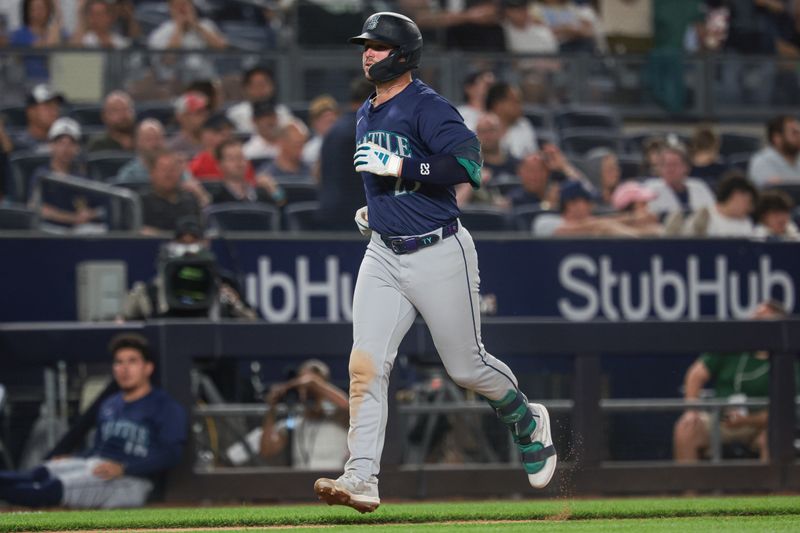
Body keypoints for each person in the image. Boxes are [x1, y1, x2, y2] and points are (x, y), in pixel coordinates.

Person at [312, 12, 556, 514]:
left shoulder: (426, 105)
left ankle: (525, 418)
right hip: (383, 252)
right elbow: (383, 180)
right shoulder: (366, 111)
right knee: (365, 365)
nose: (368, 52)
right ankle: (361, 476)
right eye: (366, 45)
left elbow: (469, 165)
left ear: (402, 54)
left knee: (466, 367)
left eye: (378, 46)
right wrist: (377, 210)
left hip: (438, 249)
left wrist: (403, 166)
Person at [0, 333, 187, 508]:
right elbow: (99, 448)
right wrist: (76, 458)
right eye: (119, 362)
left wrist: (125, 468)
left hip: (133, 479)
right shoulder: (110, 404)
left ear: (148, 367)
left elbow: (172, 454)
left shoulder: (165, 406)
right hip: (97, 465)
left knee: (46, 489)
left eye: (132, 361)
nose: (124, 368)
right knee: (39, 473)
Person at [673, 300, 797, 463]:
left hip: (760, 425)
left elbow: (785, 411)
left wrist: (746, 420)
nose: (754, 324)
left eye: (761, 321)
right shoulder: (732, 346)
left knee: (775, 437)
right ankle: (690, 489)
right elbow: (695, 374)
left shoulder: (789, 364)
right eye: (753, 318)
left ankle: (770, 488)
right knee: (686, 429)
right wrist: (691, 410)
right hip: (721, 419)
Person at [123, 216, 257, 320]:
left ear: (205, 243)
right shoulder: (155, 287)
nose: (188, 248)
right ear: (173, 244)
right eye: (182, 242)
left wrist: (234, 303)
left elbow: (251, 321)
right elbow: (125, 319)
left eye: (193, 241)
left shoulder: (224, 282)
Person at [259, 359, 349, 469]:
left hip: (334, 482)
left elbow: (347, 405)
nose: (311, 390)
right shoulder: (292, 425)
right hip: (302, 482)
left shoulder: (339, 418)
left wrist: (314, 384)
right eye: (306, 387)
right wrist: (271, 409)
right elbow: (267, 450)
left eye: (317, 385)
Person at [29, 117, 107, 233]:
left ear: (77, 148)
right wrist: (73, 218)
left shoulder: (83, 176)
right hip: (50, 230)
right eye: (60, 143)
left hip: (79, 231)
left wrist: (89, 214)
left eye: (71, 143)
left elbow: (100, 207)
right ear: (51, 145)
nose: (65, 148)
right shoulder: (42, 175)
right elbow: (36, 208)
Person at [643, 143, 716, 219]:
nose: (670, 169)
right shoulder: (650, 188)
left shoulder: (699, 186)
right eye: (665, 165)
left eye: (674, 164)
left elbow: (714, 214)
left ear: (686, 167)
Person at [140, 149, 201, 235]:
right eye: (163, 169)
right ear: (152, 173)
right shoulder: (140, 202)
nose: (168, 174)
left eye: (172, 169)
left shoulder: (190, 201)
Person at [685, 172, 757, 237]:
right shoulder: (704, 218)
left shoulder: (746, 222)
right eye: (748, 202)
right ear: (736, 196)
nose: (750, 209)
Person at [226, 65, 293, 135]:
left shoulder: (282, 111)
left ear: (272, 87)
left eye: (264, 85)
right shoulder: (235, 114)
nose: (260, 89)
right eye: (256, 85)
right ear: (246, 88)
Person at [485, 81, 538, 160]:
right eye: (516, 102)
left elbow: (533, 158)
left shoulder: (524, 125)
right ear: (498, 104)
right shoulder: (481, 125)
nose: (520, 106)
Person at [748, 115, 800, 187]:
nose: (799, 136)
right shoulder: (761, 162)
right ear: (777, 138)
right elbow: (774, 191)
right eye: (794, 133)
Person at [12, 83, 65, 153]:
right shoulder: (16, 144)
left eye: (57, 106)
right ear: (31, 111)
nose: (55, 111)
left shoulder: (67, 143)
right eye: (48, 105)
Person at [114, 119, 167, 184]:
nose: (154, 144)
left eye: (158, 138)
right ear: (138, 143)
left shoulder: (175, 172)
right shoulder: (129, 174)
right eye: (149, 139)